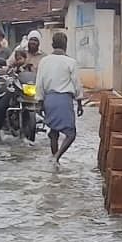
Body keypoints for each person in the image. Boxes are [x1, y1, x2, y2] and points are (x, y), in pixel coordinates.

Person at [35, 30, 83, 165]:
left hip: (49, 100)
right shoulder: (70, 62)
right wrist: (79, 102)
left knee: (54, 130)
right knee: (71, 134)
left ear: (52, 45)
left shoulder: (44, 61)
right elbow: (77, 84)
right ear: (65, 45)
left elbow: (39, 83)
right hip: (63, 99)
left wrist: (39, 101)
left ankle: (53, 159)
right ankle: (57, 157)